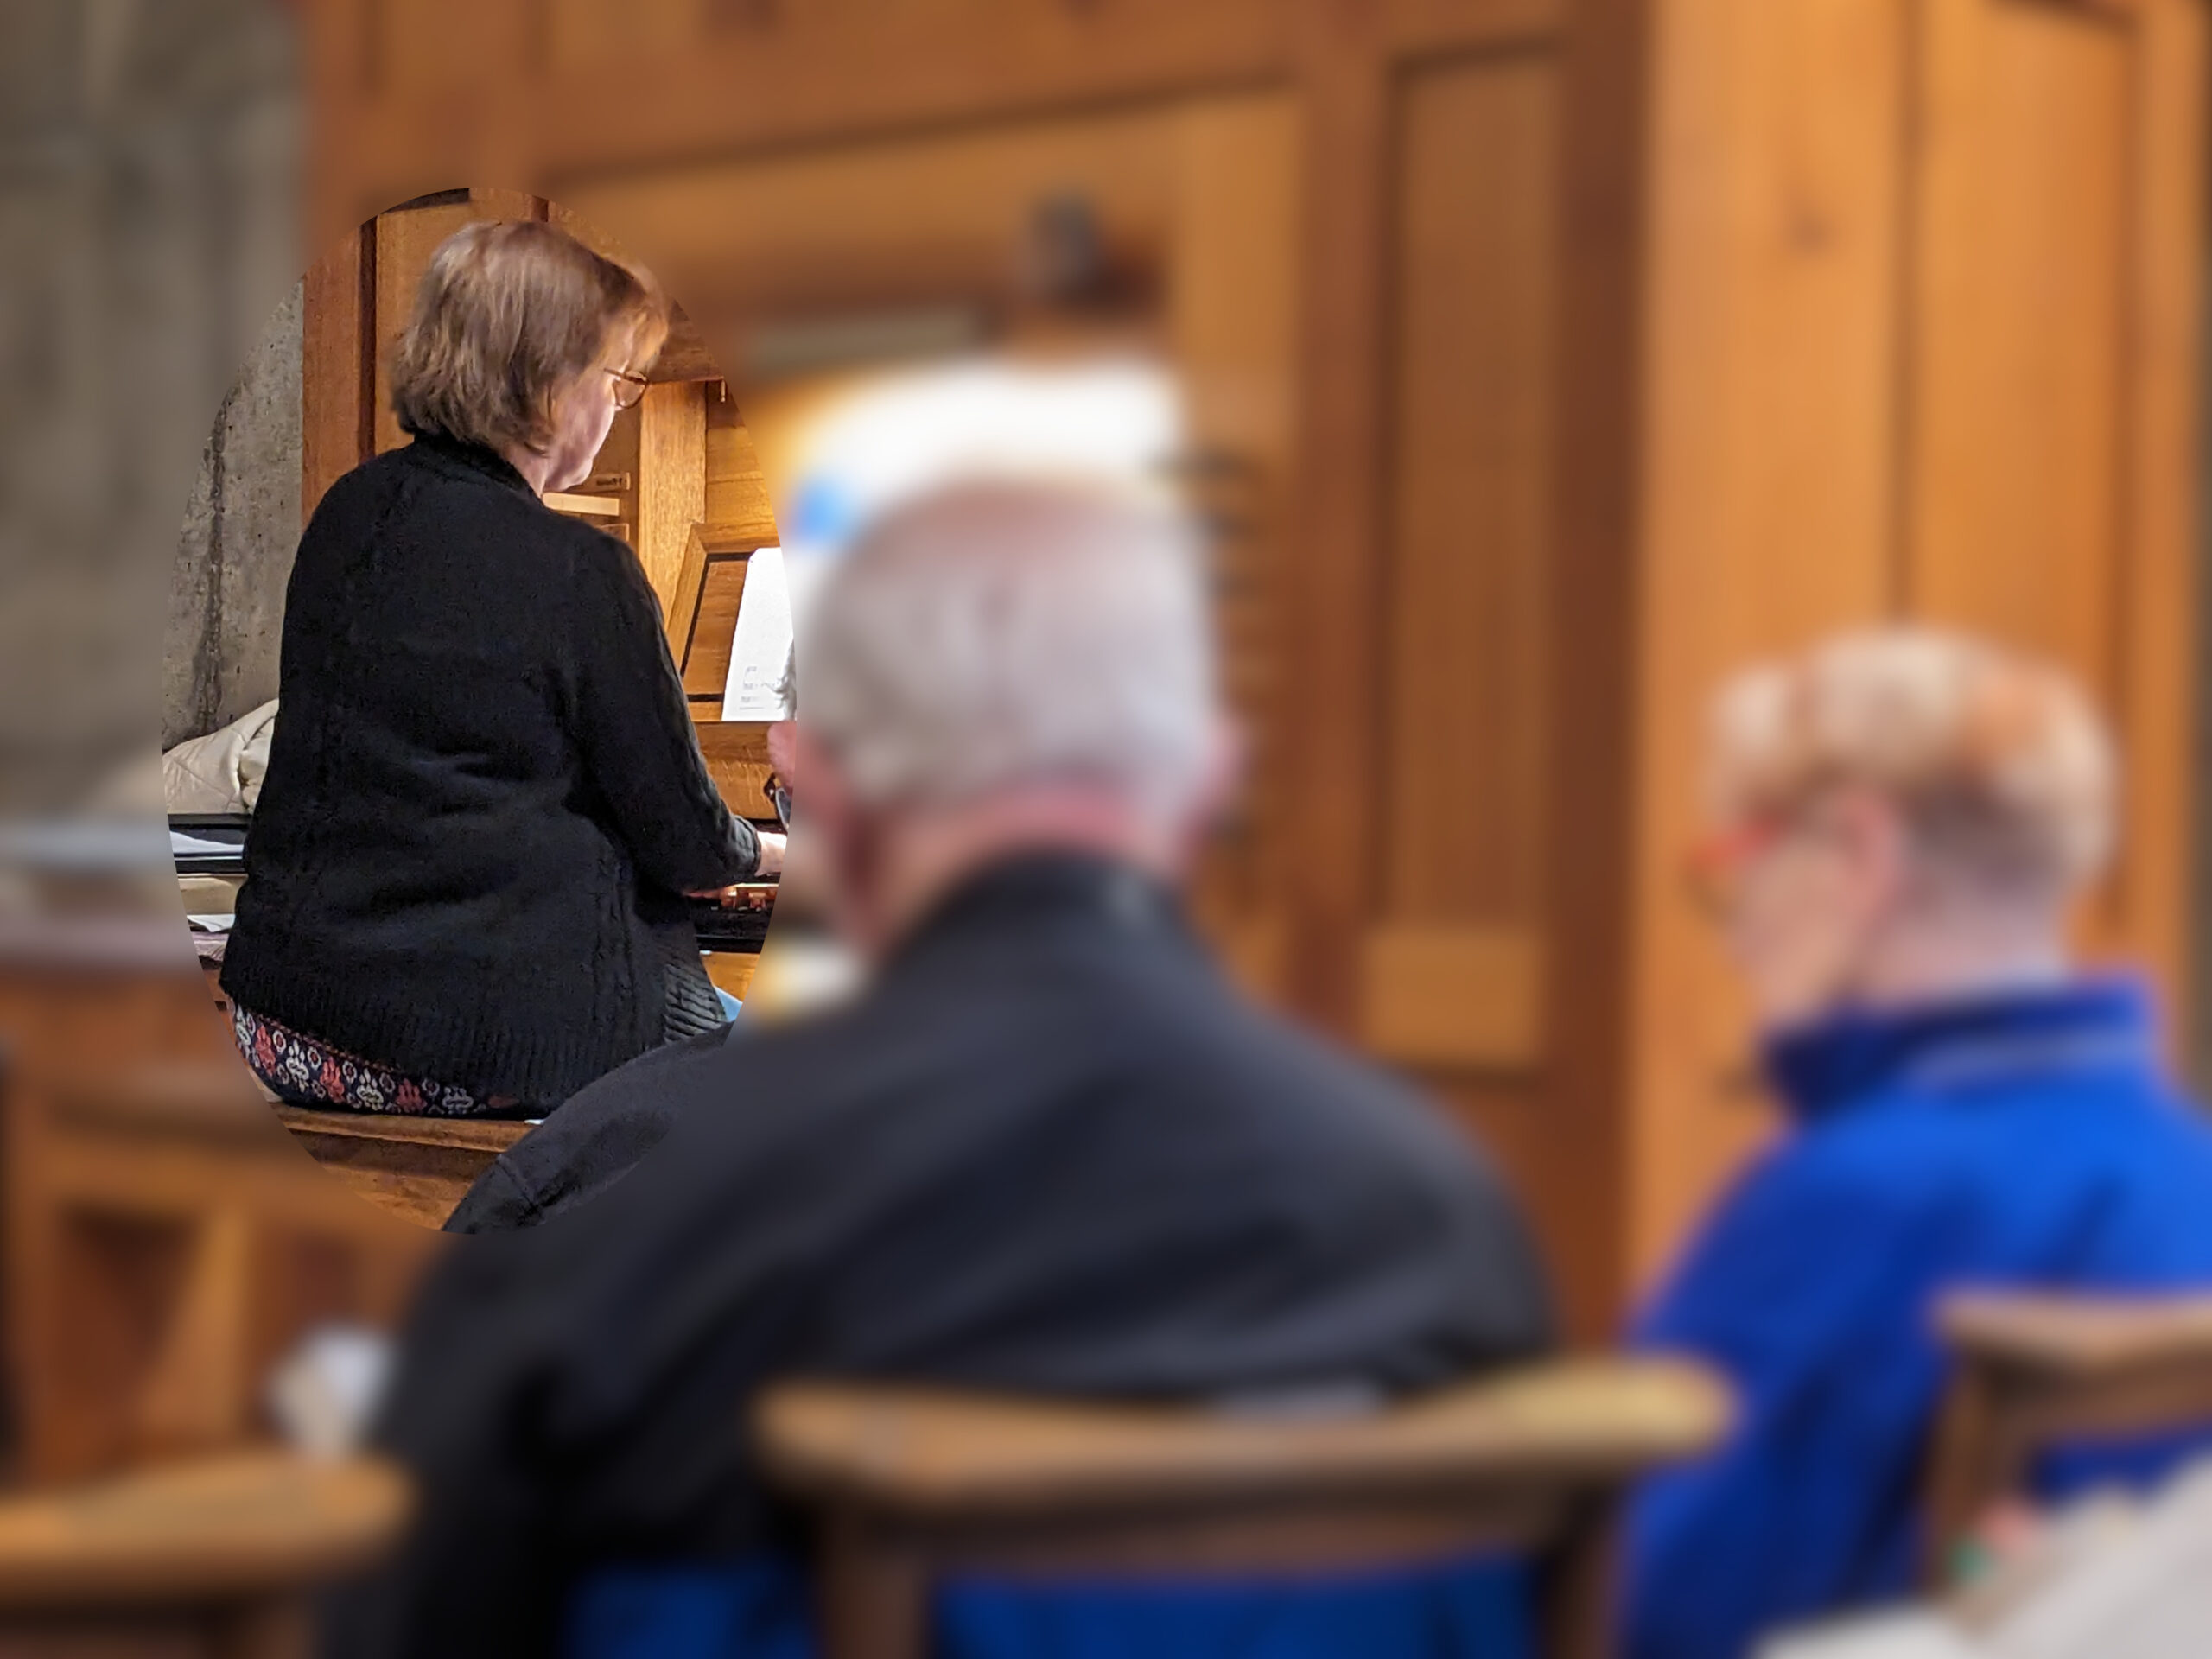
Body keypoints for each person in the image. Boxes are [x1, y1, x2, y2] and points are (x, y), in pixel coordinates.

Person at [328, 478, 1554, 1658]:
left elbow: (395, 1611)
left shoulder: (611, 1199)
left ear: (800, 764)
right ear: (1206, 779)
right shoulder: (1439, 1212)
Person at [1625, 628, 2212, 1659]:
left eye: (1737, 863)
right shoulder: (2184, 1159)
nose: (1731, 934)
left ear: (1861, 852)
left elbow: (1646, 1598)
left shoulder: (1849, 1198)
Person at [221, 219, 782, 1119]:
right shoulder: (580, 572)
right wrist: (788, 850)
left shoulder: (351, 510)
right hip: (460, 1042)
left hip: (283, 1019)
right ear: (552, 383)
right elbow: (688, 849)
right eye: (620, 380)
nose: (616, 405)